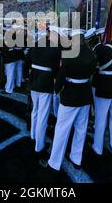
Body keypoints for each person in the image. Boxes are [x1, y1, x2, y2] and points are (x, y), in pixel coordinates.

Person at [41, 30, 97, 171]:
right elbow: (91, 73)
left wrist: (57, 89)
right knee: (81, 129)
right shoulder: (92, 54)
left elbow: (61, 77)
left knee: (62, 130)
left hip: (70, 95)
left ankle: (54, 162)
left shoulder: (68, 54)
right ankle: (76, 158)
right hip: (84, 94)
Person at [25, 26, 61, 157]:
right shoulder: (56, 49)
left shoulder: (35, 45)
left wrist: (27, 76)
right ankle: (39, 145)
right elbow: (57, 71)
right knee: (43, 115)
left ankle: (33, 135)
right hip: (45, 84)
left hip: (34, 81)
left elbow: (27, 62)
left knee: (35, 110)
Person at [91, 36, 112, 157]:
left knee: (100, 119)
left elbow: (93, 67)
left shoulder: (100, 48)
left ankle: (98, 147)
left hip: (103, 86)